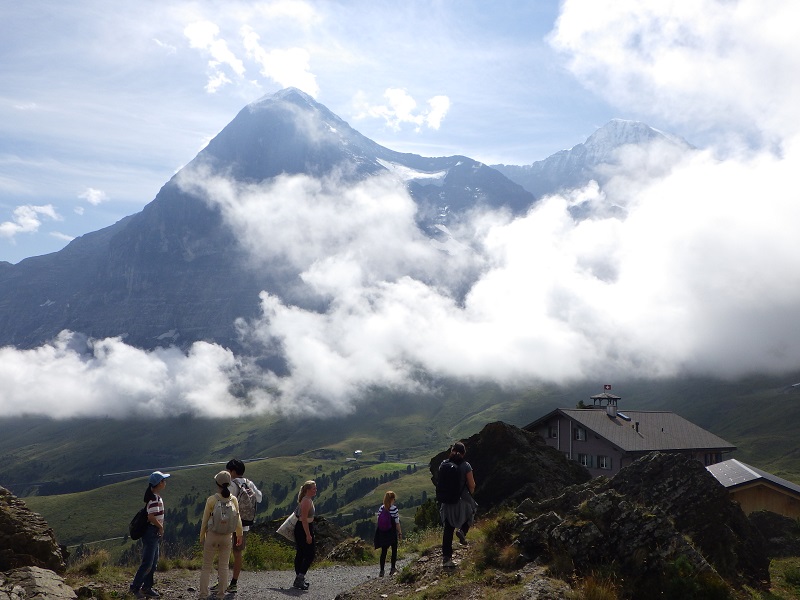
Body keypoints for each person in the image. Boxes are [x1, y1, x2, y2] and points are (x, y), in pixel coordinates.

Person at [211, 458, 263, 594]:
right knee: (238, 553)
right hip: (244, 525)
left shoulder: (231, 485)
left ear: (232, 471)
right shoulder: (249, 483)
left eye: (228, 470)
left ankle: (221, 581)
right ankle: (234, 583)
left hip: (228, 525)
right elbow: (259, 497)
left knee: (223, 552)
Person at [199, 471, 243, 599]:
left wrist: (202, 536)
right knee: (223, 567)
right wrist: (239, 535)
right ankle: (221, 595)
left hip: (212, 535)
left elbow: (205, 520)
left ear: (217, 483)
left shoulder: (212, 500)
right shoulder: (233, 499)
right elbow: (238, 519)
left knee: (206, 566)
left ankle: (203, 595)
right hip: (227, 536)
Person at [130, 471, 170, 598]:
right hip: (151, 532)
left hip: (153, 532)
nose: (165, 482)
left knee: (153, 562)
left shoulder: (154, 496)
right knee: (148, 562)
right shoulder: (154, 499)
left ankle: (147, 587)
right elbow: (151, 516)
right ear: (159, 484)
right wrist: (160, 527)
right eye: (163, 480)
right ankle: (135, 588)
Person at [439, 441, 477, 567]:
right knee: (473, 509)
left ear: (452, 451)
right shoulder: (466, 465)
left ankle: (446, 558)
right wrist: (470, 493)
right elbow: (471, 485)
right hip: (461, 499)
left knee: (448, 528)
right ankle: (462, 530)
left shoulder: (443, 464)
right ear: (463, 453)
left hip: (446, 501)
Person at [292, 480, 317, 590]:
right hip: (303, 528)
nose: (315, 490)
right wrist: (308, 535)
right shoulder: (306, 501)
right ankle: (300, 577)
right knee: (310, 554)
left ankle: (299, 578)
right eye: (313, 488)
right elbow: (304, 519)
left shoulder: (307, 499)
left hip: (303, 527)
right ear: (308, 490)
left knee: (301, 553)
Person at [373, 490, 402, 577]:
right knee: (394, 550)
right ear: (392, 499)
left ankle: (382, 571)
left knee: (384, 551)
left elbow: (378, 519)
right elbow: (397, 522)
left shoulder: (381, 508)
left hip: (383, 532)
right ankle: (392, 569)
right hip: (391, 531)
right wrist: (400, 532)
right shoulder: (394, 509)